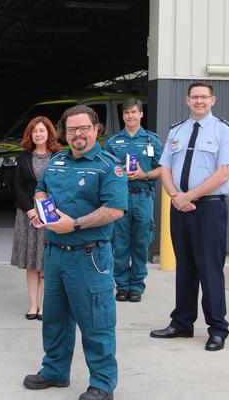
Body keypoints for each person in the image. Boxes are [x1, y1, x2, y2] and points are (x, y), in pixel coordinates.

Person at [23, 105, 127, 400]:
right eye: (71, 129)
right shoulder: (56, 161)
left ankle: (103, 384)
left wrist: (75, 224)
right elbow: (41, 190)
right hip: (54, 253)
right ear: (64, 132)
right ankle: (55, 370)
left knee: (96, 321)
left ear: (96, 129)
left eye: (84, 128)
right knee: (55, 318)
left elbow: (115, 209)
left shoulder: (109, 166)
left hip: (89, 256)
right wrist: (41, 209)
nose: (78, 134)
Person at [150, 82, 229, 352]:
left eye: (203, 97)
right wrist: (176, 196)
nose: (199, 101)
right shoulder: (177, 130)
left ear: (213, 100)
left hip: (209, 208)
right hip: (180, 207)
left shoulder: (222, 130)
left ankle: (218, 328)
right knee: (185, 267)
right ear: (187, 100)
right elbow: (165, 168)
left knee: (210, 269)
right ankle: (182, 322)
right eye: (194, 97)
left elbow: (224, 173)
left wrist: (189, 196)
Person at [104, 98, 163, 303]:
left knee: (140, 242)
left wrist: (144, 174)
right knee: (120, 244)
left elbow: (162, 168)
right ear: (123, 116)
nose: (130, 116)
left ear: (141, 114)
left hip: (143, 197)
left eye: (133, 112)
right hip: (120, 198)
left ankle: (136, 285)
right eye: (126, 113)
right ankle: (122, 285)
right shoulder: (113, 142)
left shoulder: (151, 140)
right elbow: (106, 170)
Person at [11, 116, 61, 320]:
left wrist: (50, 210)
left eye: (42, 130)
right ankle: (33, 306)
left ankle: (46, 306)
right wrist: (31, 211)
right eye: (34, 131)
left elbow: (63, 185)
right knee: (32, 262)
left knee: (47, 262)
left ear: (49, 132)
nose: (38, 134)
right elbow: (18, 186)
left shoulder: (59, 156)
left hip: (51, 215)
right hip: (28, 216)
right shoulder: (24, 157)